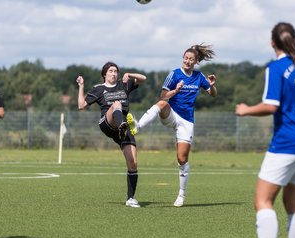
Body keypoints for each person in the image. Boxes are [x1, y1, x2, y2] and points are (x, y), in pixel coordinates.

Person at [235, 22, 295, 238]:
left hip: (287, 142)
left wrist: (245, 110)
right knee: (294, 204)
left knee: (263, 201)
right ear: (294, 41)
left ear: (272, 43)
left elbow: (271, 105)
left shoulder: (275, 68)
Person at [127, 44, 217, 207]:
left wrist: (211, 85)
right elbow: (163, 95)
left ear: (196, 61)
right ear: (183, 58)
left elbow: (213, 94)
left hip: (186, 121)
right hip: (171, 115)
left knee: (182, 159)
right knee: (161, 103)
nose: (187, 61)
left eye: (191, 59)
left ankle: (182, 194)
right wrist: (175, 90)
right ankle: (137, 127)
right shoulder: (174, 74)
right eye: (186, 58)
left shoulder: (199, 76)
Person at [76, 61, 147, 208]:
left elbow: (143, 78)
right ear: (104, 74)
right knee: (116, 104)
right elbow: (81, 106)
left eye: (116, 71)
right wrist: (81, 86)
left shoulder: (124, 84)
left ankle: (130, 198)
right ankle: (123, 123)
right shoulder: (99, 89)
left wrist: (130, 74)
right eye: (111, 71)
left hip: (123, 128)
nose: (114, 74)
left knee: (133, 162)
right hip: (107, 123)